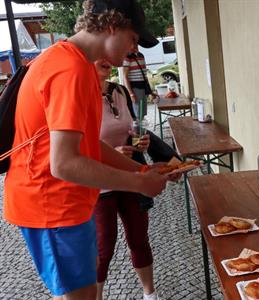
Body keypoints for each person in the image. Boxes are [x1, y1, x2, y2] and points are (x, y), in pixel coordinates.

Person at [3, 1, 169, 299]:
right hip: (52, 207)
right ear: (111, 26)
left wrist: (140, 169)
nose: (134, 49)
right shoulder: (71, 69)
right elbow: (64, 163)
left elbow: (88, 145)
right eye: (132, 38)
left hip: (66, 206)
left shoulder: (75, 64)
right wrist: (139, 183)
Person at [94, 59, 180, 300]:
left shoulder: (118, 90)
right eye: (99, 57)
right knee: (103, 249)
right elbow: (75, 150)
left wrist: (137, 140)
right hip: (99, 184)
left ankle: (149, 294)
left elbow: (132, 127)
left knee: (139, 239)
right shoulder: (78, 96)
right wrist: (113, 155)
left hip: (130, 177)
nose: (107, 62)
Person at [123, 51, 158, 122]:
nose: (135, 45)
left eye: (136, 42)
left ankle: (141, 130)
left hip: (143, 87)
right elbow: (125, 76)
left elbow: (144, 75)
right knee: (138, 113)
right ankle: (138, 130)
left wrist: (150, 91)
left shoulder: (141, 55)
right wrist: (131, 93)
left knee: (143, 112)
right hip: (135, 87)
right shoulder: (127, 57)